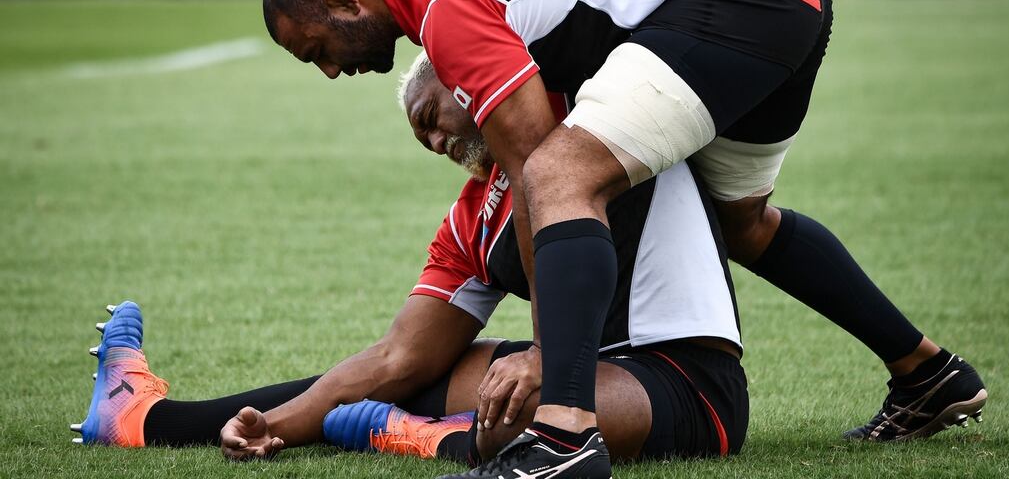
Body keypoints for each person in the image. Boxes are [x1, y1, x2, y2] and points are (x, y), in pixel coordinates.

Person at [260, 0, 986, 474]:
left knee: (557, 174)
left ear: (346, 5)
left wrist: (547, 355)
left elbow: (533, 167)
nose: (329, 71)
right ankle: (927, 373)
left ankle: (564, 435)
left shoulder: (443, 9)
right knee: (746, 224)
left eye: (317, 50)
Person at [69, 57, 749, 467]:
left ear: (470, 80)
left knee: (542, 408)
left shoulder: (591, 122)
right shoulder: (471, 218)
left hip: (686, 384)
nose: (429, 139)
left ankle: (428, 440)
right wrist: (273, 428)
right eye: (417, 134)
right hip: (581, 369)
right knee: (411, 376)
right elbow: (398, 359)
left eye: (429, 113)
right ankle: (143, 418)